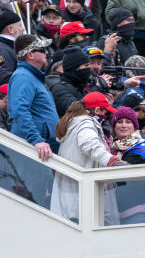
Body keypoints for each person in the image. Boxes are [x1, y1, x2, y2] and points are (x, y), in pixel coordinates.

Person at [51, 93, 122, 223]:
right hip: (82, 204)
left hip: (74, 202)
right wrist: (112, 161)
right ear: (96, 110)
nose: (105, 116)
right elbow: (91, 145)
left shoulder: (74, 125)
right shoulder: (85, 124)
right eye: (104, 111)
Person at [7, 35, 58, 161]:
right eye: (42, 49)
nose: (46, 52)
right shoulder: (23, 77)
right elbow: (20, 111)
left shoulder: (32, 77)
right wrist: (36, 140)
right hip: (34, 148)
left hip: (42, 147)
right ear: (30, 55)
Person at [51, 46, 91, 116]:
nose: (89, 69)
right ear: (74, 68)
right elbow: (75, 110)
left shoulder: (80, 86)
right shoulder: (59, 89)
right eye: (86, 65)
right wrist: (97, 90)